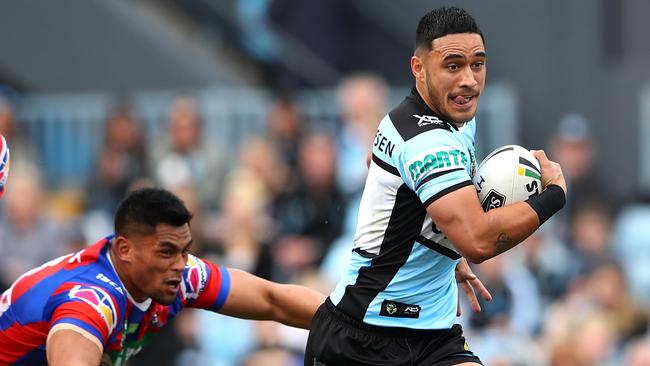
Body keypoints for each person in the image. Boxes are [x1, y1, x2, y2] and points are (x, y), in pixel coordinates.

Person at [304, 6, 567, 366]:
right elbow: (478, 241)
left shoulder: (453, 118)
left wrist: (436, 243)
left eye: (478, 64)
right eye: (453, 65)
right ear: (419, 68)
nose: (469, 80)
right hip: (363, 337)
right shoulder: (426, 141)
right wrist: (554, 196)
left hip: (433, 335)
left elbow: (378, 164)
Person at [0, 187, 325, 365]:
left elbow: (274, 301)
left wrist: (358, 324)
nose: (181, 264)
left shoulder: (180, 274)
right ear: (125, 250)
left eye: (185, 250)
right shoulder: (90, 301)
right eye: (166, 252)